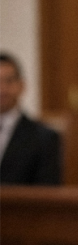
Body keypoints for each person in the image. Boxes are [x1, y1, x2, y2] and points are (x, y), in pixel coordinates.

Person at [0, 53, 62, 185]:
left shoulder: (45, 139)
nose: (2, 89)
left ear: (22, 85)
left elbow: (47, 192)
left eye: (9, 81)